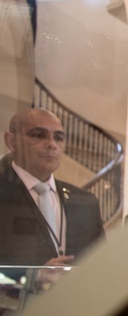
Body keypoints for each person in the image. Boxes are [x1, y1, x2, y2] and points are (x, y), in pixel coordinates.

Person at [0, 108, 104, 267]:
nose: (51, 144)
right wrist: (31, 277)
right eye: (38, 135)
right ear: (12, 142)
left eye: (59, 138)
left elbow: (102, 264)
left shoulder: (86, 202)